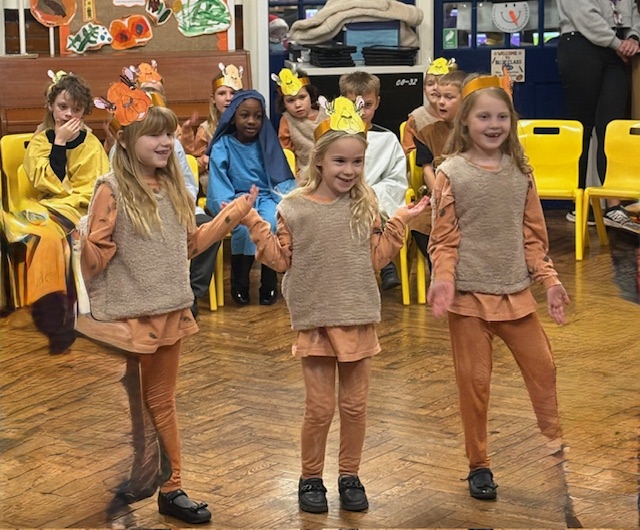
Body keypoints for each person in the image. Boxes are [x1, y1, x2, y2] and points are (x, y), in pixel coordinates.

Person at [77, 80, 258, 523]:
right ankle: (133, 482)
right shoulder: (111, 189)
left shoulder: (175, 187)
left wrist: (232, 214)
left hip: (170, 309)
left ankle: (171, 487)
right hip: (128, 317)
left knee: (161, 401)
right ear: (124, 140)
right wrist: (81, 243)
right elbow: (95, 260)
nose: (166, 142)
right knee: (135, 409)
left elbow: (189, 246)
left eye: (170, 134)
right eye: (154, 134)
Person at [240, 96, 429, 513]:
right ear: (320, 161)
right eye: (340, 161)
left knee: (355, 407)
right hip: (316, 321)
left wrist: (401, 221)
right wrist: (254, 222)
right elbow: (281, 260)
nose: (349, 170)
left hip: (358, 317)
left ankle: (349, 475)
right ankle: (310, 477)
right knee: (320, 408)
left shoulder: (366, 204)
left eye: (357, 162)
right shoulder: (294, 208)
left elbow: (375, 259)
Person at [427, 76, 570, 501]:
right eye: (484, 117)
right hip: (468, 299)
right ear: (465, 123)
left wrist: (550, 280)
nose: (494, 125)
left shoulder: (520, 173)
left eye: (502, 117)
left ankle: (554, 442)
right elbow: (443, 239)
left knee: (543, 368)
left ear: (512, 121)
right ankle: (479, 465)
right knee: (474, 385)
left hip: (515, 293)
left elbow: (533, 237)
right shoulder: (450, 173)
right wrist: (444, 278)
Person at [103, 64, 220, 318]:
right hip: (138, 212)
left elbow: (188, 184)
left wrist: (176, 204)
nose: (164, 141)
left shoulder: (172, 146)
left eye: (167, 134)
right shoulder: (120, 154)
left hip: (177, 208)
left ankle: (191, 293)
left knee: (206, 227)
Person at [22, 70, 109, 354]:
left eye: (76, 109)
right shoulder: (40, 141)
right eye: (62, 106)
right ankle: (54, 315)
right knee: (47, 239)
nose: (69, 114)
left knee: (78, 237)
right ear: (50, 106)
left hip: (82, 207)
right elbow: (46, 182)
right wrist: (58, 144)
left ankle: (78, 314)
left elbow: (96, 186)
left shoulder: (91, 144)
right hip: (48, 207)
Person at [206, 89, 296, 306]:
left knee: (270, 223)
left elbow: (280, 180)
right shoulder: (223, 145)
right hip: (236, 198)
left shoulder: (267, 143)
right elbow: (219, 183)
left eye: (258, 116)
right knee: (242, 228)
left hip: (266, 197)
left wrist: (287, 206)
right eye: (245, 115)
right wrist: (230, 209)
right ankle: (240, 283)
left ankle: (269, 282)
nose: (252, 121)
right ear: (233, 117)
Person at [556, 0, 640, 232]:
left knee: (612, 128)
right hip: (581, 43)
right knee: (582, 128)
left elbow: (633, 12)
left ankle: (613, 205)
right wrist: (619, 44)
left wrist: (633, 38)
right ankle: (578, 201)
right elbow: (584, 15)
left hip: (616, 49)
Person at [339, 71, 408, 291]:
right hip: (341, 200)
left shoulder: (388, 140)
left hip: (376, 202)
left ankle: (380, 264)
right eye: (353, 105)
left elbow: (396, 180)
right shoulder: (333, 138)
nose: (360, 112)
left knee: (367, 209)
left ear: (377, 103)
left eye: (367, 105)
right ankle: (384, 264)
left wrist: (368, 194)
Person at [412, 69, 468, 260]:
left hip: (470, 198)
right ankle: (437, 266)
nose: (441, 102)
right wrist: (440, 195)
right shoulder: (426, 133)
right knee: (418, 221)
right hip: (437, 198)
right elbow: (427, 169)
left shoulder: (474, 132)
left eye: (449, 97)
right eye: (439, 97)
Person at [181, 63, 243, 192]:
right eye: (222, 93)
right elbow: (194, 163)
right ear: (213, 98)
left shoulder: (247, 126)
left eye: (233, 93)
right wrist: (204, 161)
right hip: (215, 182)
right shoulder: (206, 129)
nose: (228, 98)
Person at [272, 66, 324, 177]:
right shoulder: (286, 120)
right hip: (305, 174)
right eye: (290, 100)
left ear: (310, 95)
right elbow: (286, 153)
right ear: (283, 103)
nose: (298, 105)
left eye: (302, 97)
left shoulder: (327, 114)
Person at [401, 57, 457, 155]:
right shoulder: (416, 119)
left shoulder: (462, 117)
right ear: (424, 89)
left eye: (440, 83)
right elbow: (408, 153)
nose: (435, 88)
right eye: (430, 84)